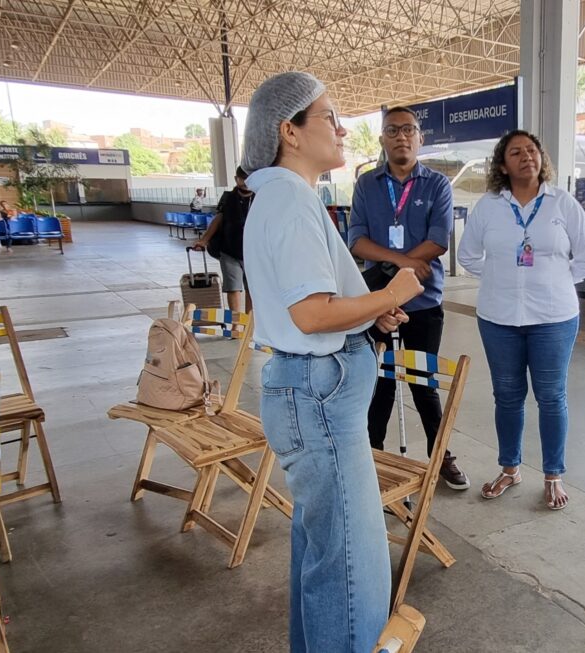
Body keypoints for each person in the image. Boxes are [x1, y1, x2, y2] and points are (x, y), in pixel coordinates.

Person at [240, 71, 425, 653]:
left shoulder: (285, 198)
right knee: (352, 569)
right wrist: (391, 294)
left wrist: (368, 313)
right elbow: (311, 314)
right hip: (318, 397)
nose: (344, 130)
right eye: (329, 117)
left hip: (310, 393)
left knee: (327, 557)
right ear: (288, 131)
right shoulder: (290, 200)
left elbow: (321, 307)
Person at [457, 130, 585, 510]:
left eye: (532, 150)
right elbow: (468, 255)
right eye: (515, 152)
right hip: (498, 317)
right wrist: (498, 277)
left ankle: (553, 474)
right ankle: (510, 468)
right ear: (502, 165)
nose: (527, 157)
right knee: (507, 396)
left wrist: (558, 279)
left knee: (551, 396)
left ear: (542, 158)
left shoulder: (562, 203)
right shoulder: (488, 206)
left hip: (553, 318)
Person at [348, 106, 469, 490]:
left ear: (420, 138)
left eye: (409, 130)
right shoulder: (367, 184)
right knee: (378, 382)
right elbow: (357, 240)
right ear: (382, 138)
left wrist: (407, 271)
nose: (401, 137)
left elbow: (437, 240)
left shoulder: (437, 185)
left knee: (423, 382)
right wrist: (403, 265)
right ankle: (372, 455)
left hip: (423, 303)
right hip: (376, 301)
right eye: (392, 130)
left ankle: (440, 455)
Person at [196, 167, 254, 312]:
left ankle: (250, 324)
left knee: (252, 289)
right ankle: (236, 324)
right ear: (236, 179)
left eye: (250, 178)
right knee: (233, 288)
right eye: (243, 178)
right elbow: (218, 219)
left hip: (255, 252)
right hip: (229, 250)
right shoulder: (228, 197)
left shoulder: (261, 197)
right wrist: (204, 240)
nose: (246, 182)